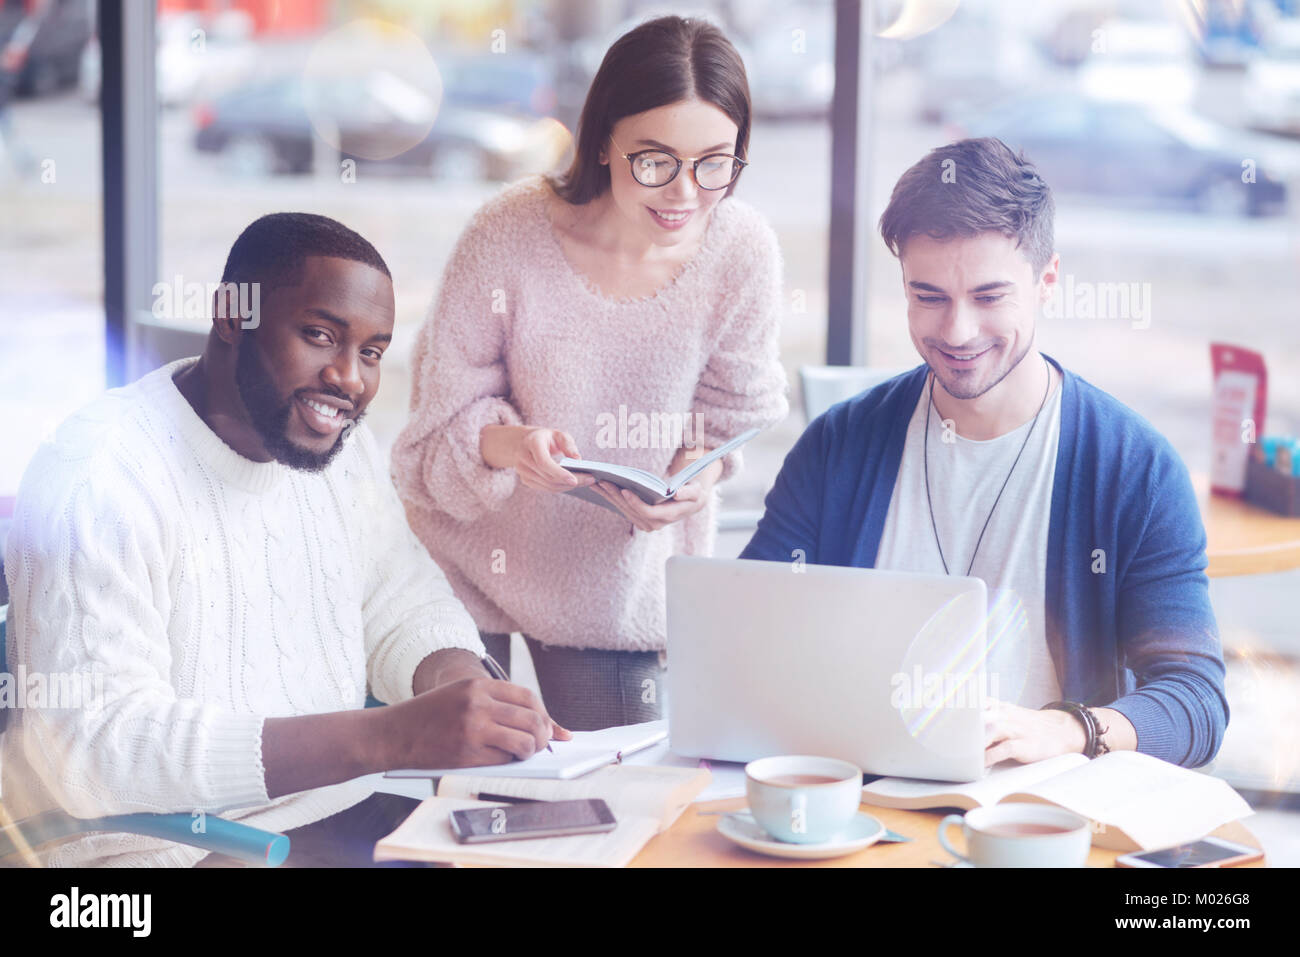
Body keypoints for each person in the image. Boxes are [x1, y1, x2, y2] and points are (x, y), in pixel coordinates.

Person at [1, 213, 567, 867]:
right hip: (144, 851)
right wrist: (387, 736)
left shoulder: (332, 451)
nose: (350, 378)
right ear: (230, 316)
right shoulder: (101, 471)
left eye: (372, 352)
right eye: (320, 335)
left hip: (324, 813)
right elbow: (97, 747)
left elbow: (400, 599)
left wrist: (462, 685)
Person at [740, 137, 1227, 770]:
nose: (957, 332)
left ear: (1047, 280)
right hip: (859, 808)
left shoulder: (1134, 468)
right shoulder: (839, 444)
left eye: (990, 297)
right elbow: (751, 632)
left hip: (1040, 825)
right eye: (930, 296)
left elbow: (1196, 701)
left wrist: (1069, 730)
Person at [391, 16, 788, 730]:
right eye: (654, 160)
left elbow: (729, 420)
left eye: (715, 162)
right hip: (463, 556)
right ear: (604, 139)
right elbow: (435, 425)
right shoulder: (508, 233)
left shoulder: (742, 251)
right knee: (469, 790)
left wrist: (693, 479)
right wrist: (517, 448)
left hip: (613, 579)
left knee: (623, 791)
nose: (685, 193)